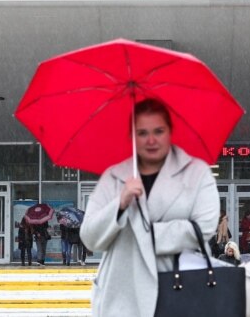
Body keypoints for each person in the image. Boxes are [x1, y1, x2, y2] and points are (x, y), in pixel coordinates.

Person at [80, 98, 221, 317]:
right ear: (132, 137)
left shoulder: (197, 173)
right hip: (121, 297)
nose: (151, 140)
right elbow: (89, 236)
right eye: (142, 133)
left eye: (158, 131)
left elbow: (205, 227)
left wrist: (150, 234)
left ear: (170, 132)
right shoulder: (113, 177)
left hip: (179, 289)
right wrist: (120, 203)